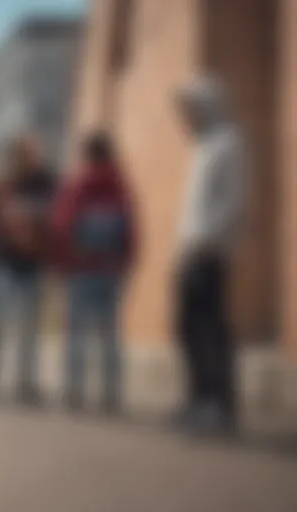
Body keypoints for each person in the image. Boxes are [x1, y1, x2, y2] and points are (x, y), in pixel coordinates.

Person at [173, 77, 245, 433]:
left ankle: (219, 405)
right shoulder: (201, 147)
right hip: (189, 252)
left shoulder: (227, 143)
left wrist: (208, 241)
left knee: (210, 330)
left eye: (190, 107)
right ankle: (197, 398)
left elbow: (231, 203)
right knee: (186, 328)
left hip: (210, 254)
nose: (185, 115)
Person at [51, 131, 138, 413]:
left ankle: (75, 390)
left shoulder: (78, 184)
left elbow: (63, 227)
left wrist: (63, 264)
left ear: (87, 154)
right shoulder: (120, 187)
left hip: (81, 269)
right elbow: (131, 232)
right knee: (110, 335)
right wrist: (124, 264)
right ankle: (111, 393)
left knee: (76, 333)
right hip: (109, 270)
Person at [0, 134, 57, 405]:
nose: (33, 157)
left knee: (29, 331)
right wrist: (6, 242)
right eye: (26, 152)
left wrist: (42, 249)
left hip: (32, 268)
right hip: (3, 266)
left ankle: (25, 382)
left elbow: (54, 223)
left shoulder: (46, 184)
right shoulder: (2, 187)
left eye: (34, 152)